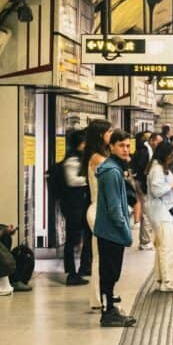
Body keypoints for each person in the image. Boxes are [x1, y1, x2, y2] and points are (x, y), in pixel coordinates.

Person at [94, 130, 137, 327]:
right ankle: (108, 312)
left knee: (109, 272)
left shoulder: (111, 168)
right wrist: (125, 231)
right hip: (112, 232)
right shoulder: (112, 172)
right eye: (121, 145)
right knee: (110, 273)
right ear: (111, 147)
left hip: (106, 231)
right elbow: (114, 208)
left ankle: (109, 307)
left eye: (128, 146)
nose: (126, 149)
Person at [146, 141, 173, 292]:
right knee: (168, 248)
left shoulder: (159, 167)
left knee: (163, 247)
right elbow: (157, 190)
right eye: (171, 155)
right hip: (161, 213)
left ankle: (161, 278)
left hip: (164, 212)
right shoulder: (157, 169)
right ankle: (168, 282)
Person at [82, 119, 112, 311]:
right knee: (100, 257)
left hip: (101, 209)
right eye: (109, 132)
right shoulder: (97, 159)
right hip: (98, 210)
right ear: (101, 134)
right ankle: (97, 298)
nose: (112, 135)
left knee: (103, 256)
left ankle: (101, 295)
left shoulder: (100, 157)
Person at [61, 128, 92, 286]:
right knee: (72, 240)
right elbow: (72, 181)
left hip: (81, 206)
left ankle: (84, 268)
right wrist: (90, 179)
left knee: (85, 237)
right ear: (79, 144)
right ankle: (71, 273)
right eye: (85, 143)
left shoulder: (80, 159)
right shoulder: (72, 161)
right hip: (74, 208)